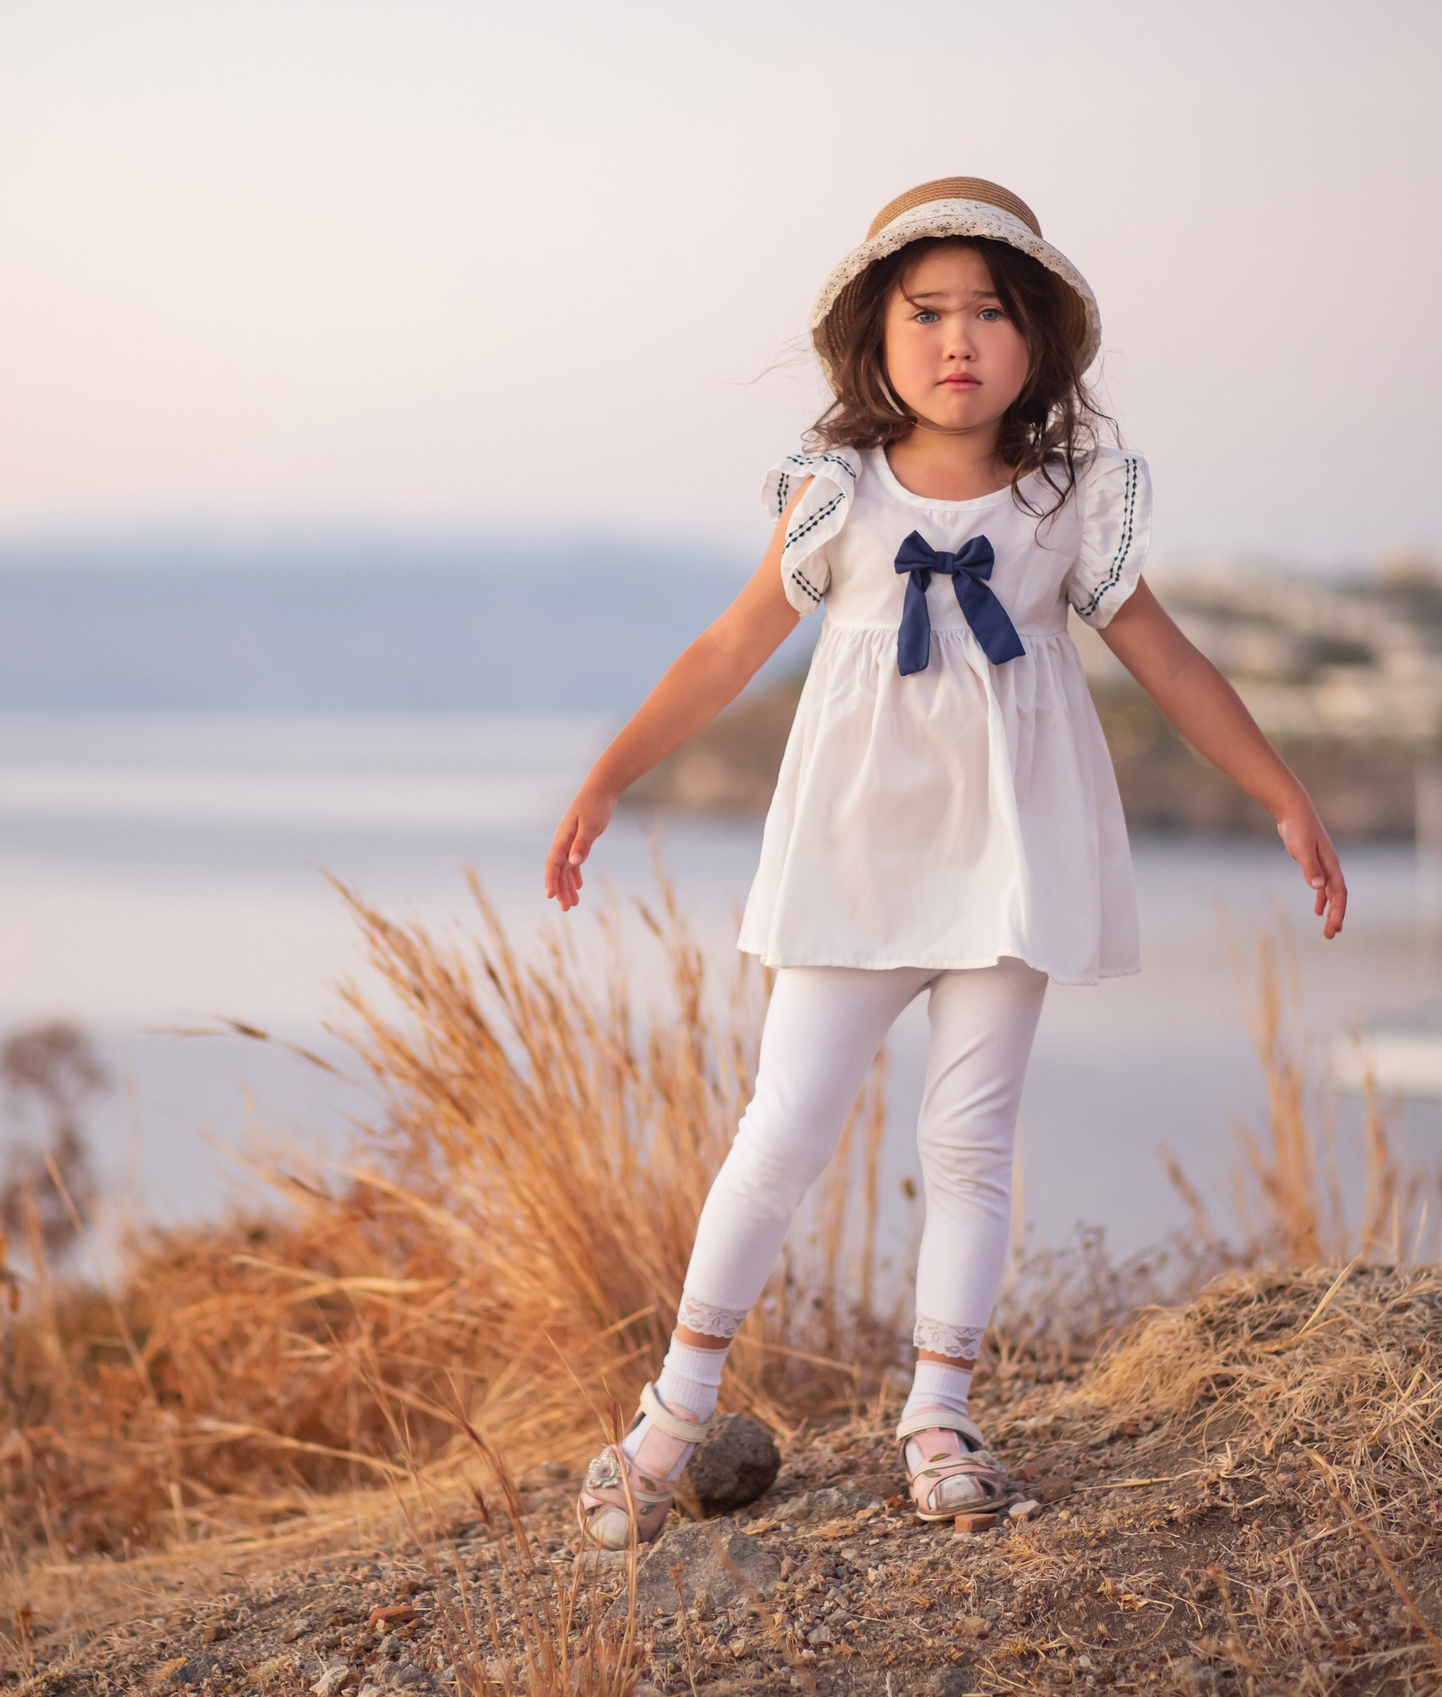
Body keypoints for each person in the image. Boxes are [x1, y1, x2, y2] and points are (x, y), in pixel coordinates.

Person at [543, 178, 1349, 1548]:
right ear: (878, 333)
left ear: (1037, 338)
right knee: (783, 1130)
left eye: (989, 310)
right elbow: (730, 648)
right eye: (926, 311)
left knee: (969, 1142)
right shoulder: (836, 494)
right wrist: (609, 774)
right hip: (853, 866)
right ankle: (672, 1415)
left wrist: (1282, 793)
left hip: (1005, 864)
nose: (958, 338)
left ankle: (940, 1415)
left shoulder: (1066, 499)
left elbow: (1167, 660)